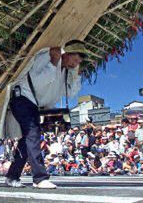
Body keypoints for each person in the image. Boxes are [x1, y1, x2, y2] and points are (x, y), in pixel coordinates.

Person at [5, 40, 86, 189]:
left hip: (34, 105)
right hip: (22, 97)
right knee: (33, 134)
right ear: (66, 54)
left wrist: (76, 74)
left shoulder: (67, 71)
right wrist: (53, 62)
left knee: (27, 140)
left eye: (78, 62)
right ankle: (39, 178)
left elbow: (71, 92)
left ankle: (12, 176)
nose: (75, 64)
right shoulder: (47, 56)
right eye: (74, 60)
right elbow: (38, 81)